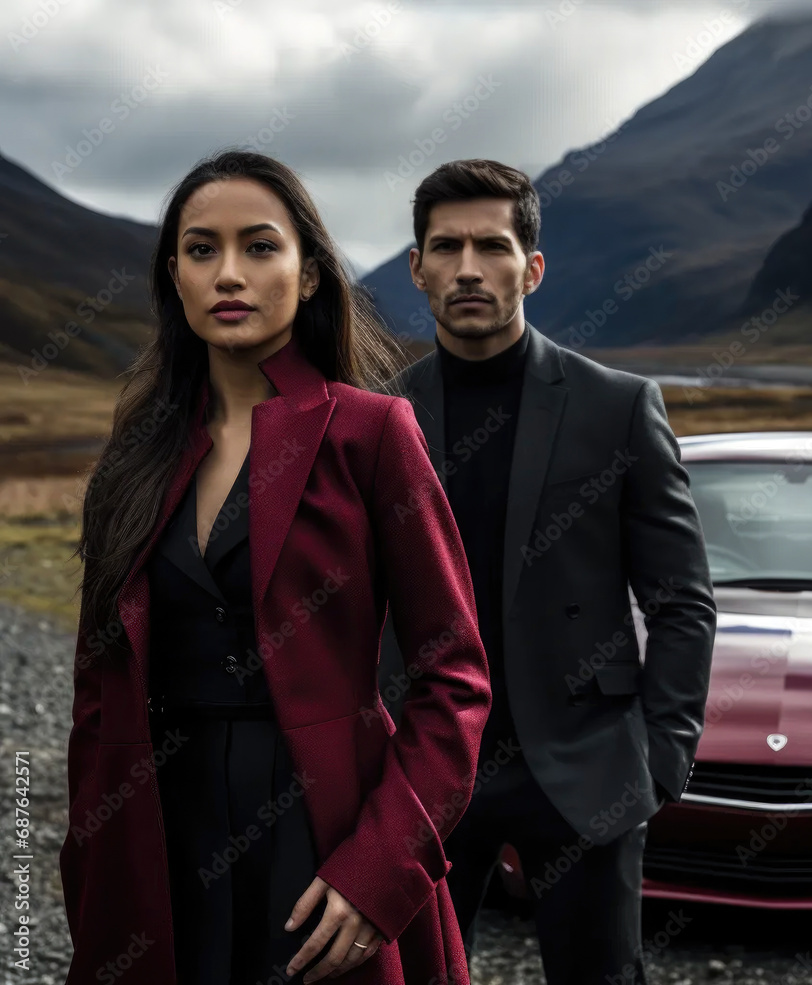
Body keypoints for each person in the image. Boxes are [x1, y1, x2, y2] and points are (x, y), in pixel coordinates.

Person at [59, 149, 491, 985]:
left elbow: (455, 678)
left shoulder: (371, 433)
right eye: (200, 249)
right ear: (173, 278)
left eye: (260, 247)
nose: (229, 274)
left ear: (312, 274)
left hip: (326, 833)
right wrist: (92, 861)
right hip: (157, 828)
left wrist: (381, 872)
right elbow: (94, 684)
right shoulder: (133, 459)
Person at [377, 159, 717, 985]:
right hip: (422, 760)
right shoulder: (378, 413)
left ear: (531, 266)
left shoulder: (619, 405)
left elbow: (682, 601)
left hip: (585, 762)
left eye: (491, 246)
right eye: (445, 247)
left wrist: (662, 753)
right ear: (415, 267)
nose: (467, 268)